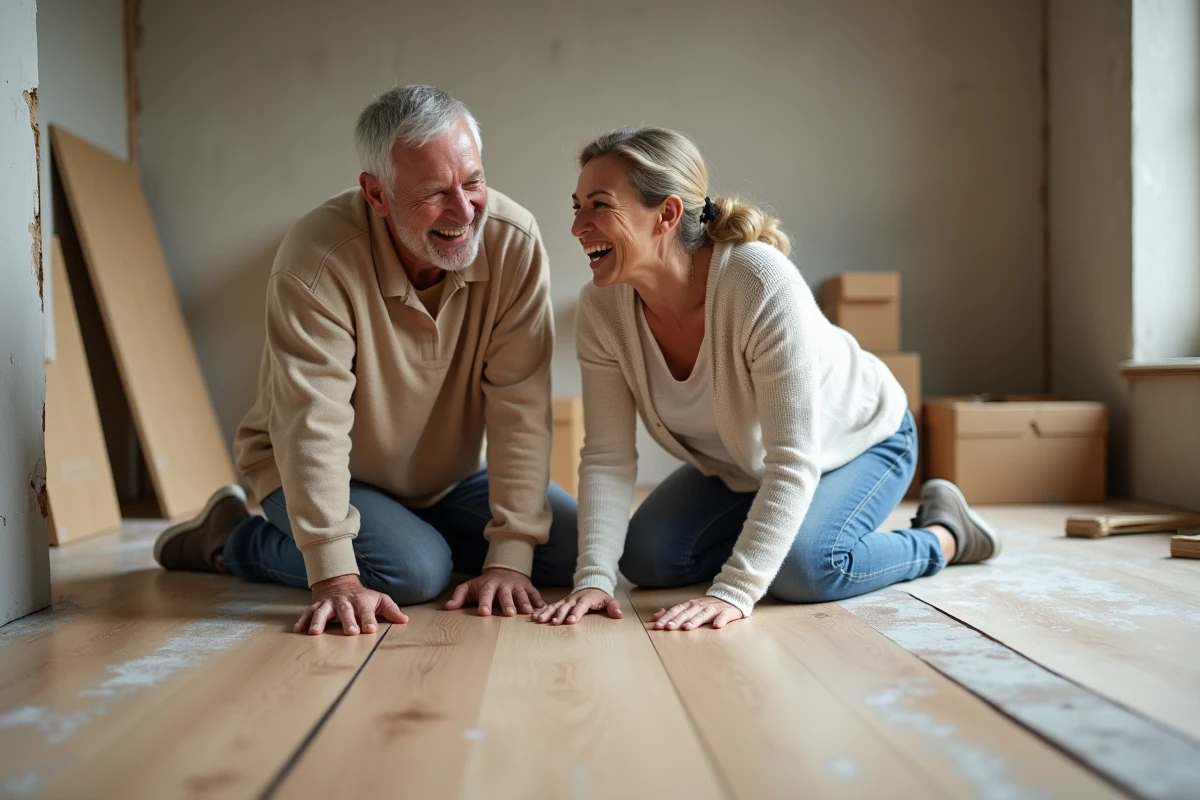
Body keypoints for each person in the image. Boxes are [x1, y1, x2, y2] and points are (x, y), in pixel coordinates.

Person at [534, 126, 999, 631]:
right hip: (744, 466)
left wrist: (736, 590)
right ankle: (787, 531)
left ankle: (946, 534)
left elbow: (793, 458)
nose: (579, 226)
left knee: (804, 571)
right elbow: (607, 456)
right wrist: (595, 579)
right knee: (649, 560)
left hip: (861, 440)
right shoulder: (602, 310)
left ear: (666, 215)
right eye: (577, 206)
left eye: (599, 206)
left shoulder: (757, 282)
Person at [154, 85, 578, 635]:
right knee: (412, 573)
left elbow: (520, 403)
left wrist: (508, 557)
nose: (463, 210)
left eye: (473, 182)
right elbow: (314, 423)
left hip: (447, 475)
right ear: (376, 196)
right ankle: (230, 537)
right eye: (434, 192)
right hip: (320, 467)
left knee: (570, 548)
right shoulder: (318, 259)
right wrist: (334, 575)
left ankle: (418, 537)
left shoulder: (513, 242)